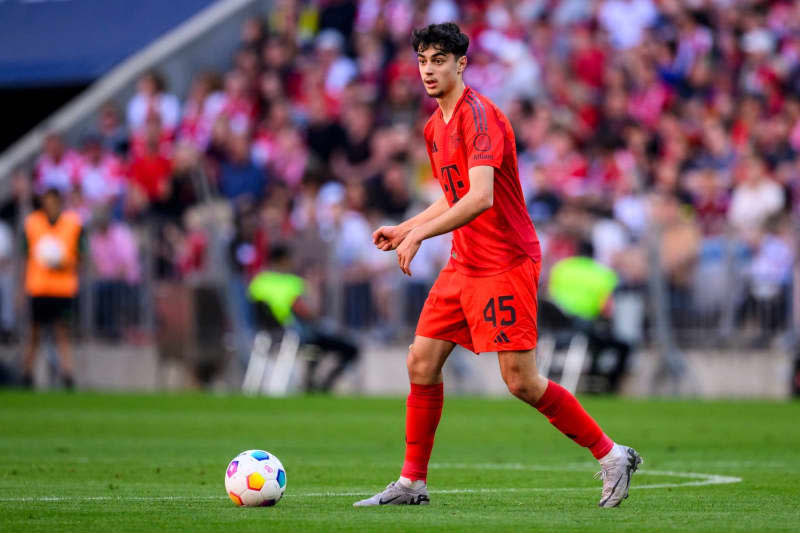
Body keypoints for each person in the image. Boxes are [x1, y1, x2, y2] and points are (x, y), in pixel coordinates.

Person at [354, 23, 641, 509]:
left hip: (506, 262)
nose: (429, 69)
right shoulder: (432, 127)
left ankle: (612, 455)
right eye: (423, 59)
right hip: (465, 262)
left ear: (460, 64)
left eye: (439, 60)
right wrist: (405, 227)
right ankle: (411, 483)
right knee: (420, 362)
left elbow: (482, 197)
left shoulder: (480, 117)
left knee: (521, 382)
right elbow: (452, 196)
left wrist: (423, 234)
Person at [248, 245, 359, 393]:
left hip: (265, 333)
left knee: (314, 349)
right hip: (292, 334)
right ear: (283, 261)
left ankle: (311, 382)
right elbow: (306, 312)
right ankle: (323, 384)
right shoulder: (292, 283)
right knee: (345, 348)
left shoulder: (258, 282)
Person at [20, 188, 85, 389]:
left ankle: (67, 374)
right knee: (34, 333)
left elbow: (80, 254)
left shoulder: (72, 224)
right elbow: (26, 255)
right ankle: (27, 374)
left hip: (62, 288)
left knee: (62, 333)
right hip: (38, 288)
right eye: (47, 201)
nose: (50, 205)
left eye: (54, 201)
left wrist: (64, 263)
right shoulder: (33, 223)